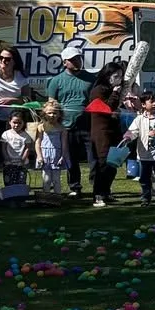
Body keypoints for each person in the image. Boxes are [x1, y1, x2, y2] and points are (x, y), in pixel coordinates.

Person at [40, 45, 92, 200]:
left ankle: (98, 188)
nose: (77, 61)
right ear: (64, 62)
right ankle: (75, 187)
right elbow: (52, 103)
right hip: (66, 127)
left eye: (78, 58)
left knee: (93, 158)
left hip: (87, 124)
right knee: (71, 158)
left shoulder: (91, 78)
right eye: (73, 59)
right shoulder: (56, 81)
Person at [86, 67, 126, 207]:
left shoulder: (112, 90)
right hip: (101, 131)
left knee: (112, 163)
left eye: (121, 76)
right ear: (108, 75)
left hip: (113, 130)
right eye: (116, 76)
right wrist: (115, 93)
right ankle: (98, 195)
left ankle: (106, 191)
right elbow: (107, 108)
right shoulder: (98, 90)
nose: (119, 79)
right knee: (102, 164)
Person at [0, 46, 31, 121]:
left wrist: (13, 100)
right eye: (1, 57)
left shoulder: (21, 77)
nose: (3, 60)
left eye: (7, 59)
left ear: (15, 61)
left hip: (14, 121)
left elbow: (27, 99)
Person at [36, 99, 71, 200]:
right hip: (45, 155)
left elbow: (64, 144)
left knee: (56, 180)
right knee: (46, 179)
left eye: (55, 113)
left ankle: (57, 199)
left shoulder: (62, 128)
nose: (52, 115)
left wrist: (63, 156)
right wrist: (39, 156)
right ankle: (46, 199)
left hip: (56, 155)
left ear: (59, 114)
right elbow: (38, 142)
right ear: (44, 114)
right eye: (49, 113)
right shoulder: (41, 127)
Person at [0, 108, 35, 203]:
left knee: (21, 181)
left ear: (23, 123)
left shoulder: (25, 135)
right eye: (14, 122)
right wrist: (6, 158)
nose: (16, 125)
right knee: (9, 181)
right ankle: (10, 199)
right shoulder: (5, 134)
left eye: (19, 123)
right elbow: (3, 147)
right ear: (10, 122)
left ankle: (21, 200)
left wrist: (23, 159)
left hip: (21, 163)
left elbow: (27, 148)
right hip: (9, 162)